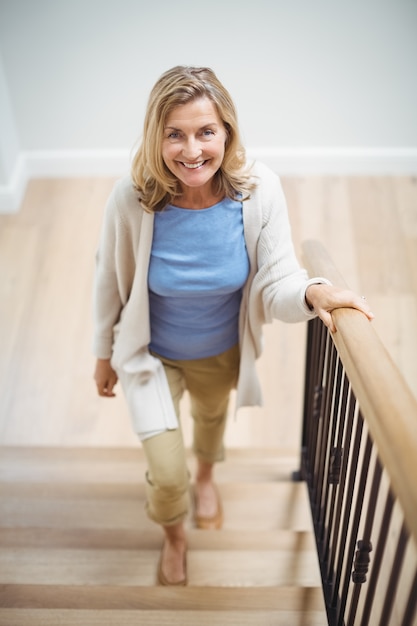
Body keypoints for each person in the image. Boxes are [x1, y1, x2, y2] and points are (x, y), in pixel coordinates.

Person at [93, 65, 374, 586]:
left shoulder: (258, 192)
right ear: (156, 136)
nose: (191, 149)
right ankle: (174, 535)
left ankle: (207, 479)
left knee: (210, 423)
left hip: (221, 351)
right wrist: (102, 353)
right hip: (149, 354)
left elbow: (278, 279)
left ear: (227, 132)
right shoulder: (130, 198)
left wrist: (313, 293)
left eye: (206, 131)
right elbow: (108, 279)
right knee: (166, 469)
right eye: (174, 133)